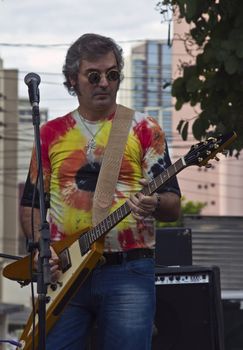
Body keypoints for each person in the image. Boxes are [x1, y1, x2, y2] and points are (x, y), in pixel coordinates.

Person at [21, 33, 181, 350]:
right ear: (72, 81)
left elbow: (173, 205)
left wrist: (154, 203)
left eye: (112, 74)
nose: (104, 83)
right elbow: (31, 204)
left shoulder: (144, 128)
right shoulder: (50, 134)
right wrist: (40, 248)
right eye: (94, 76)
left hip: (128, 270)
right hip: (64, 273)